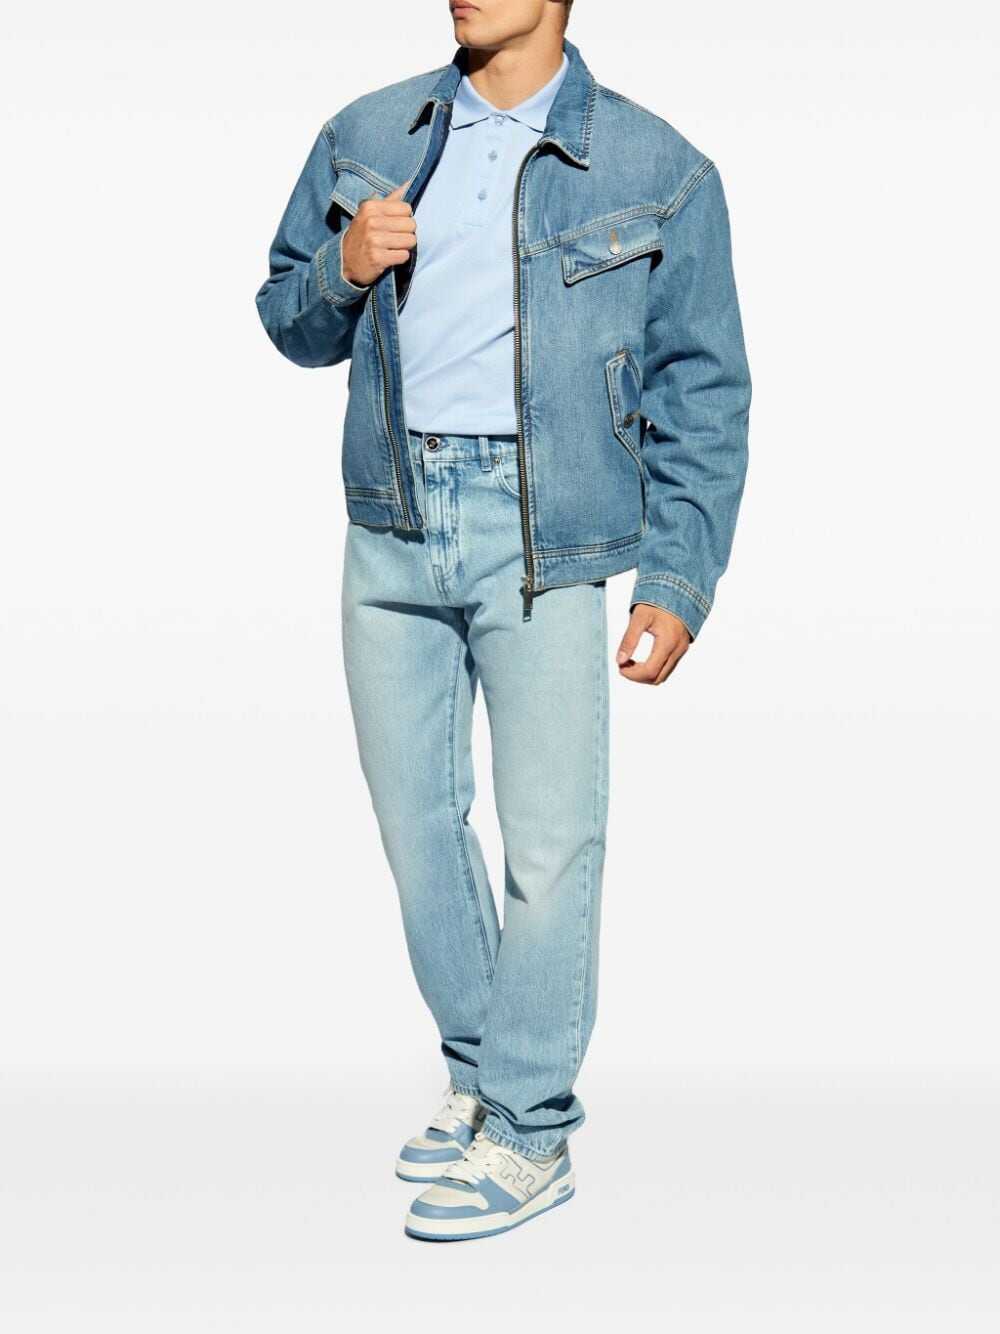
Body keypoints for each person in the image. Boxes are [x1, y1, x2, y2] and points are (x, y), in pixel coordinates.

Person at [255, 0, 750, 1242]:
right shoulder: (368, 132)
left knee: (551, 842)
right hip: (391, 516)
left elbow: (705, 389)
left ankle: (532, 1130)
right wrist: (342, 266)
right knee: (417, 824)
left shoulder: (658, 168)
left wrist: (676, 577)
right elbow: (287, 318)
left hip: (544, 535)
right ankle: (482, 1074)